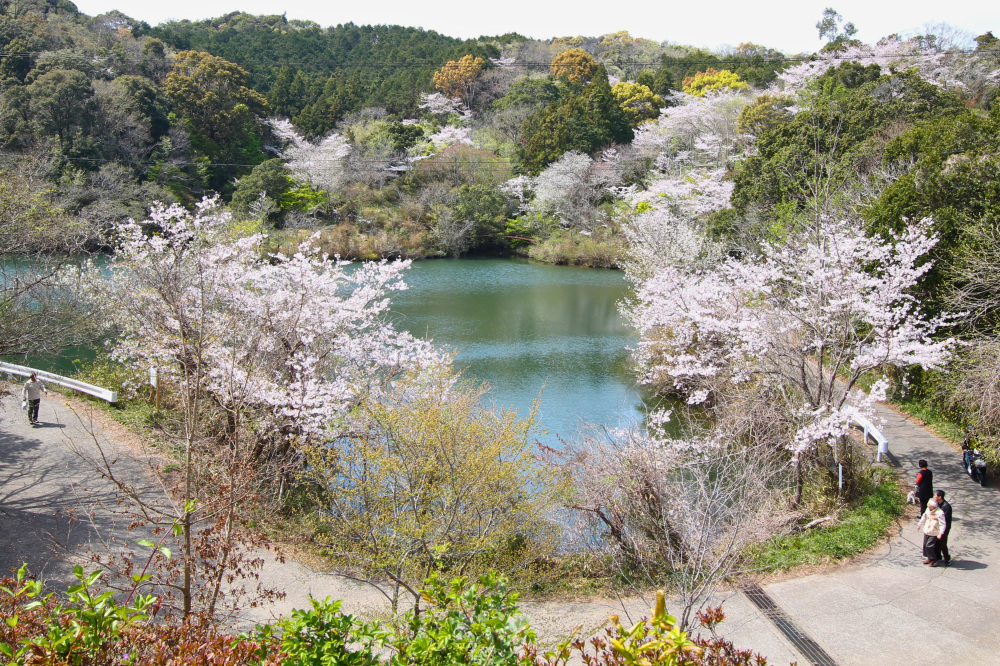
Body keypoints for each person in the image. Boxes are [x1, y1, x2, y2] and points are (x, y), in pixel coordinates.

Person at [917, 497, 947, 566]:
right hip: (927, 530)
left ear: (933, 506)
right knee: (925, 545)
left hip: (934, 531)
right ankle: (929, 558)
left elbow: (943, 524)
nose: (927, 505)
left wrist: (941, 533)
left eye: (929, 504)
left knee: (929, 546)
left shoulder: (940, 513)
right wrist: (919, 524)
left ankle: (934, 559)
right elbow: (924, 516)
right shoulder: (928, 509)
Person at [934, 489, 953, 566]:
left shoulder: (947, 506)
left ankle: (947, 558)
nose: (934, 497)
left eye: (935, 495)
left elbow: (945, 518)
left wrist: (935, 517)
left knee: (942, 543)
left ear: (939, 497)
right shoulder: (937, 504)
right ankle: (938, 557)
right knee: (936, 542)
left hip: (944, 528)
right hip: (937, 526)